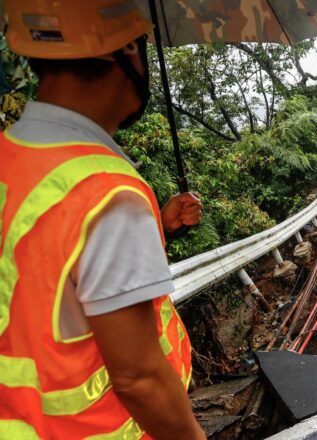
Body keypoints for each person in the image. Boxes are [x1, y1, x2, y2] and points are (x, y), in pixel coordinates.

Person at [0, 1, 206, 438]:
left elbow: (38, 274)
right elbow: (140, 379)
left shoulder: (12, 157)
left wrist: (158, 229)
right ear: (128, 51)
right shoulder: (108, 194)